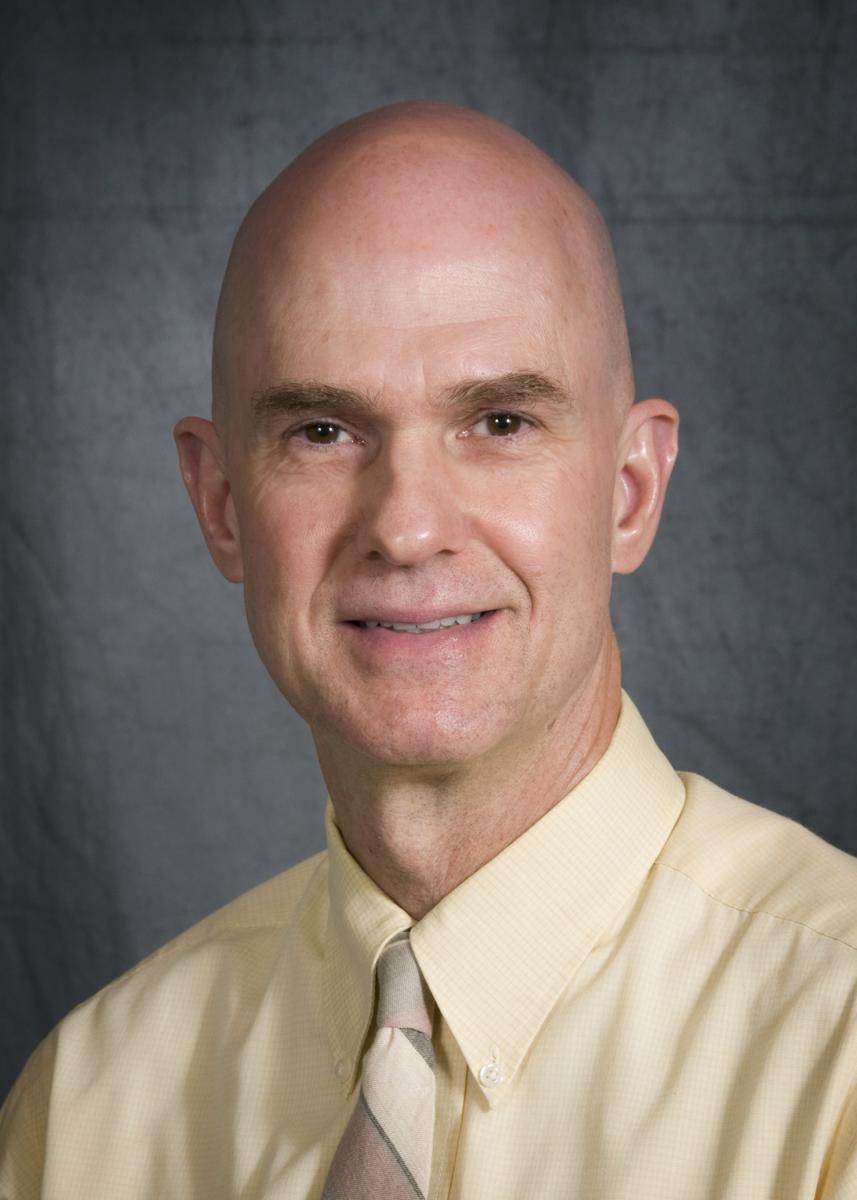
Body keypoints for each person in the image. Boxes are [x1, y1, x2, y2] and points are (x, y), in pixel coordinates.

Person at [1, 100, 855, 1199]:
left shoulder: (833, 1047)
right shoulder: (87, 1115)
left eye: (499, 422)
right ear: (220, 505)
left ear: (630, 493)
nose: (405, 527)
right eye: (321, 431)